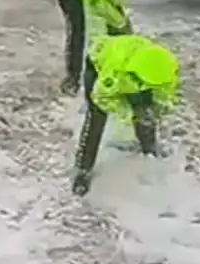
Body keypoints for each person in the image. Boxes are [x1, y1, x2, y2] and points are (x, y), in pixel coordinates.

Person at [71, 34, 180, 196]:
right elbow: (101, 99)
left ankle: (148, 146)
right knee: (96, 119)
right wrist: (128, 113)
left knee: (145, 110)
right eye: (140, 84)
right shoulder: (112, 74)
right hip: (100, 65)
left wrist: (155, 109)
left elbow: (165, 94)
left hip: (135, 62)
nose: (142, 88)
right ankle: (83, 170)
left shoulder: (165, 69)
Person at [53, 0, 140, 96]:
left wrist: (122, 23)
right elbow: (94, 21)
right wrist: (121, 24)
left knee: (118, 24)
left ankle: (124, 63)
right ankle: (73, 78)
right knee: (78, 30)